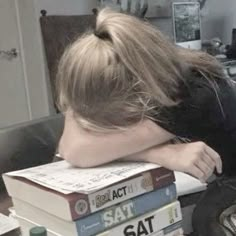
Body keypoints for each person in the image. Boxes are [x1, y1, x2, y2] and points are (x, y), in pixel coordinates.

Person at [57, 9, 236, 235]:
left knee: (207, 217)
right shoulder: (156, 73)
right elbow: (70, 148)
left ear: (137, 95)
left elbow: (77, 152)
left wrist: (143, 150)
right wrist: (159, 153)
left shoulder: (191, 95)